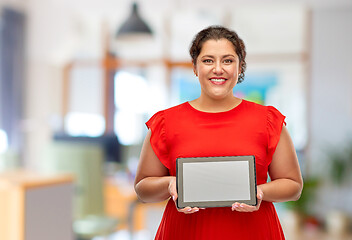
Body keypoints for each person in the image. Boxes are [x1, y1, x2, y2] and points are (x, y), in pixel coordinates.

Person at [134, 25, 303, 240]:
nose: (218, 69)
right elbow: (142, 189)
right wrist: (170, 184)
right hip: (186, 232)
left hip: (252, 231)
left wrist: (260, 192)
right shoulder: (165, 122)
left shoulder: (268, 120)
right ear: (195, 67)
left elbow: (293, 185)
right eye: (207, 60)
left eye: (228, 60)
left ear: (240, 67)